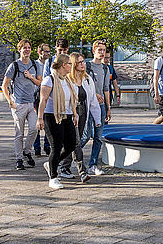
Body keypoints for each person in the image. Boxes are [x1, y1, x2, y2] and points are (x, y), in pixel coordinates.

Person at [36, 53, 79, 190]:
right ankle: (53, 177)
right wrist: (40, 118)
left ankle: (51, 164)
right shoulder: (49, 80)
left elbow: (71, 100)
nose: (72, 66)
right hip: (52, 116)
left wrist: (75, 114)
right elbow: (43, 100)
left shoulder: (68, 80)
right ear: (63, 65)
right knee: (56, 146)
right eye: (70, 64)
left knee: (71, 144)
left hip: (67, 115)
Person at [2, 39, 42, 171]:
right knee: (19, 133)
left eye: (29, 47)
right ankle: (19, 159)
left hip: (31, 103)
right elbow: (4, 85)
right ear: (19, 50)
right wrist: (10, 101)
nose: (27, 50)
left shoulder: (35, 65)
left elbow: (39, 83)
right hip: (18, 104)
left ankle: (27, 151)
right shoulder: (14, 65)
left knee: (34, 129)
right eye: (24, 48)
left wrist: (30, 77)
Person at [59, 53, 95, 182]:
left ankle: (63, 167)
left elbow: (92, 99)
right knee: (76, 142)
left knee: (73, 143)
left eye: (83, 61)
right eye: (79, 62)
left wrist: (97, 118)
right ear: (74, 64)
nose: (82, 64)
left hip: (83, 112)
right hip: (71, 113)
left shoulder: (87, 79)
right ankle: (82, 172)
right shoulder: (67, 79)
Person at [83, 40, 113, 175]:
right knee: (85, 136)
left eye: (104, 50)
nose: (102, 53)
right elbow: (82, 84)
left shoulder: (106, 68)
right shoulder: (86, 66)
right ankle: (66, 158)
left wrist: (108, 107)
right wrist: (94, 94)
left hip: (101, 106)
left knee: (98, 137)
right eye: (99, 50)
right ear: (93, 50)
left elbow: (106, 89)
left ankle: (93, 164)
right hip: (88, 106)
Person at [33, 43, 53, 156]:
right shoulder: (35, 64)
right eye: (46, 51)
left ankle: (47, 145)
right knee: (37, 122)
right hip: (37, 97)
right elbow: (39, 82)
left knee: (48, 122)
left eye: (49, 51)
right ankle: (36, 147)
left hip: (48, 96)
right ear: (39, 52)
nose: (48, 53)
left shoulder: (51, 63)